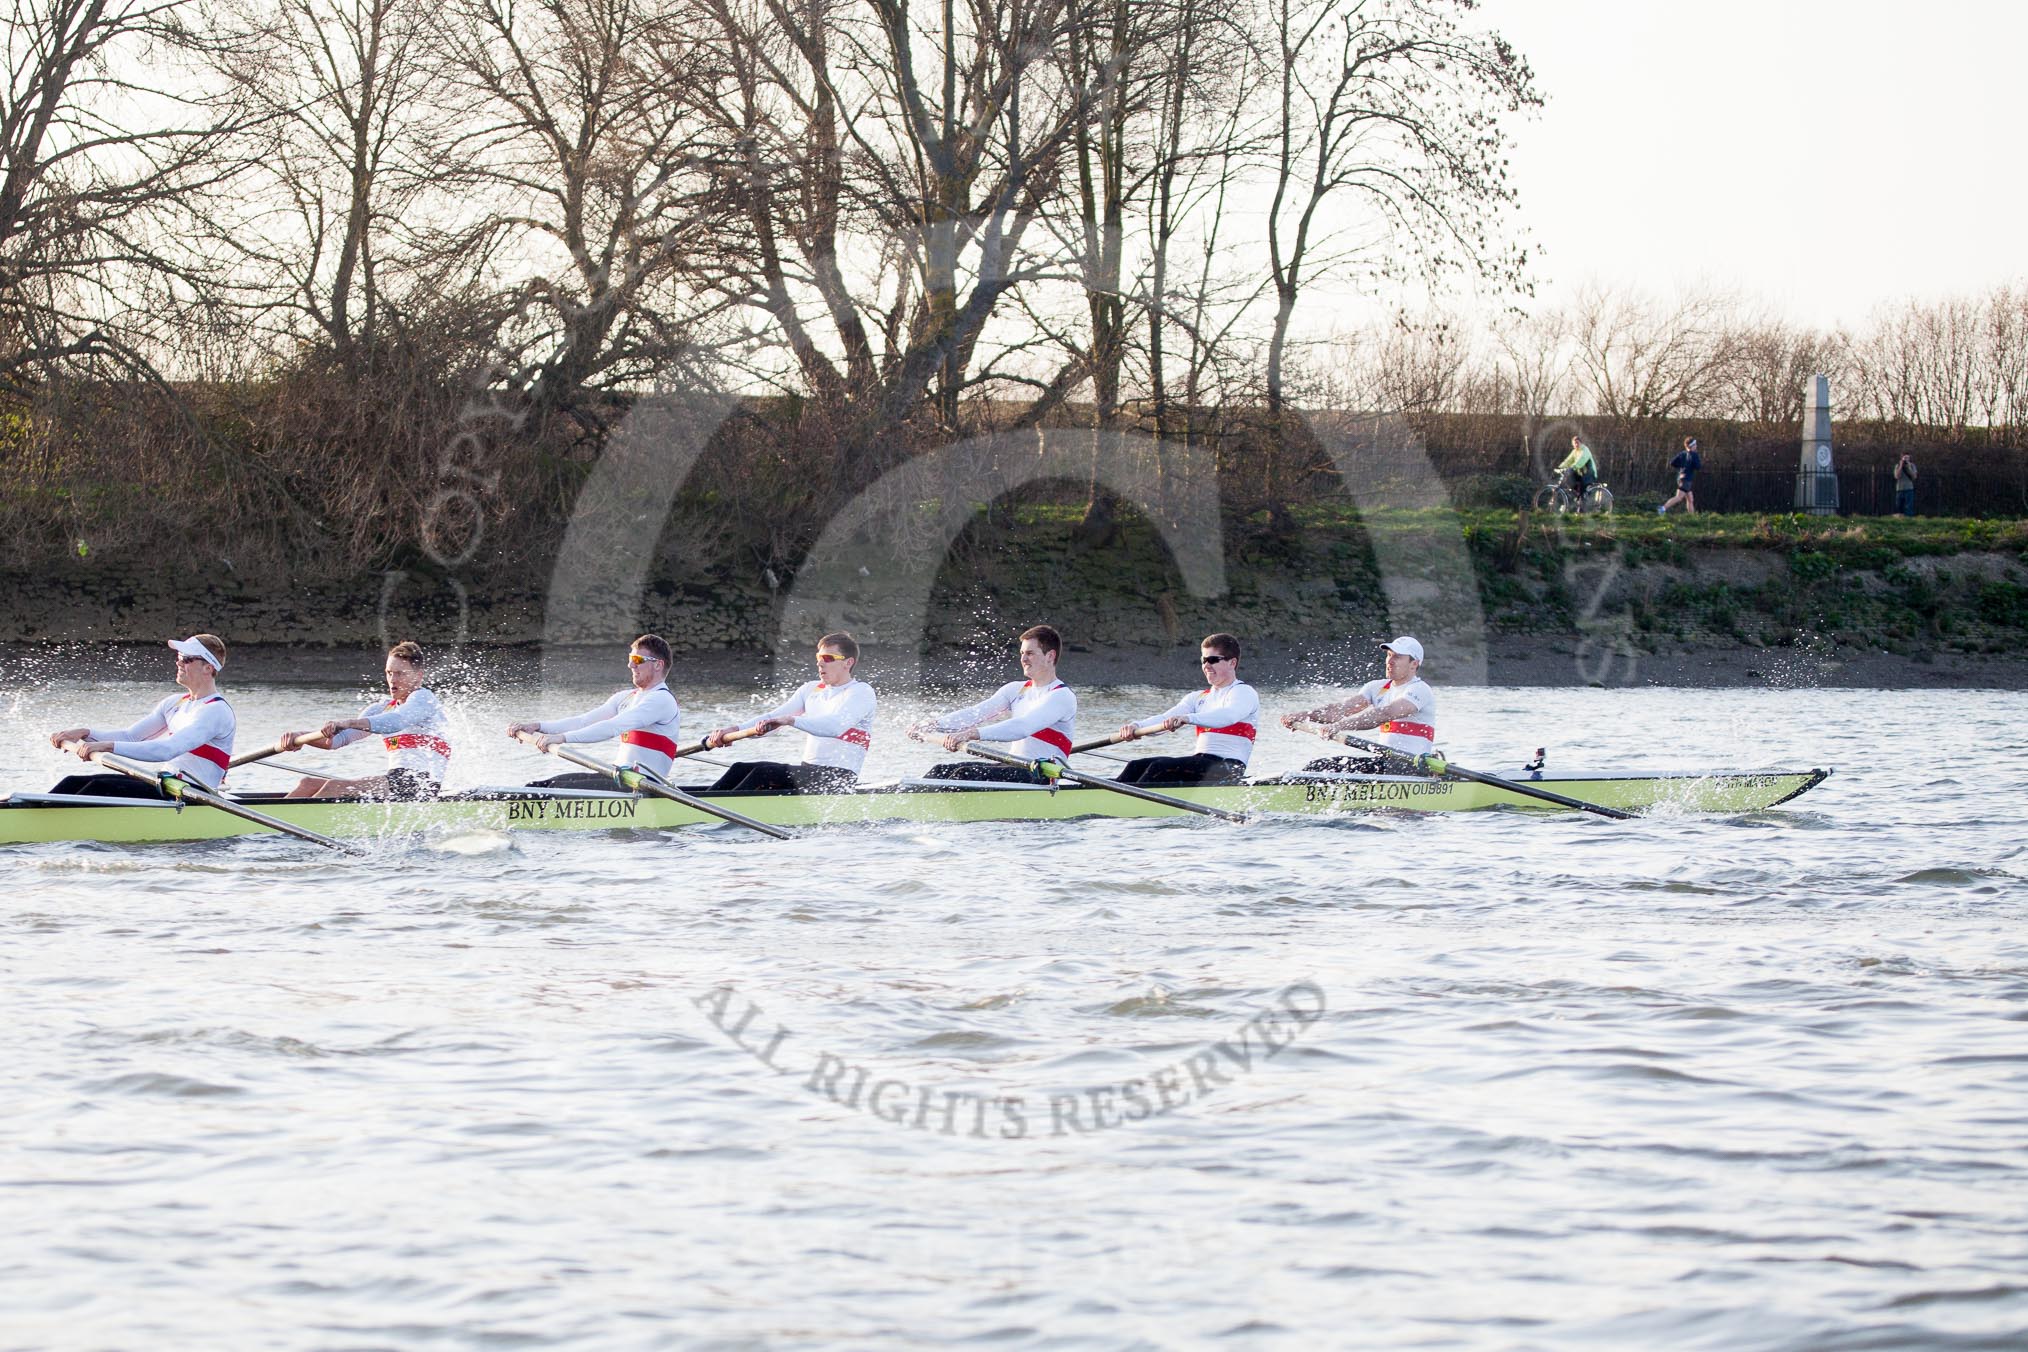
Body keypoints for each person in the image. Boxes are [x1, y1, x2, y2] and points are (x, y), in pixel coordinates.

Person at [48, 635, 236, 800]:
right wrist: (84, 733)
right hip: (166, 782)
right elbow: (130, 736)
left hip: (194, 793)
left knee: (98, 788)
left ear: (208, 668)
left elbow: (167, 750)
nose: (178, 663)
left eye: (186, 659)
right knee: (72, 782)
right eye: (179, 658)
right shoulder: (174, 703)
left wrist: (106, 746)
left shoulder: (215, 711)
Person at [273, 641, 451, 800]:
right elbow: (335, 741)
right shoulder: (381, 708)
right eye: (389, 673)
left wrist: (348, 722)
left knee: (333, 787)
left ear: (418, 676)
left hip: (421, 784)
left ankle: (289, 828)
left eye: (400, 674)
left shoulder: (424, 699)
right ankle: (271, 824)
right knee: (308, 783)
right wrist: (300, 737)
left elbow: (396, 721)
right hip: (395, 781)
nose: (392, 680)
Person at [702, 632, 876, 793]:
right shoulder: (811, 689)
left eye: (828, 658)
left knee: (763, 773)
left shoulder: (860, 692)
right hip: (809, 772)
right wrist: (733, 730)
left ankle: (708, 812)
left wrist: (790, 721)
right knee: (739, 768)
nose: (820, 663)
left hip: (838, 779)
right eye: (819, 657)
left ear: (848, 662)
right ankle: (698, 804)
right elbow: (771, 719)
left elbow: (834, 727)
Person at [505, 634, 681, 789]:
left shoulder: (661, 700)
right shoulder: (626, 697)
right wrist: (537, 726)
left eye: (637, 660)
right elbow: (583, 721)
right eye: (630, 658)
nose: (630, 665)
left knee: (556, 790)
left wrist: (562, 738)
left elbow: (613, 726)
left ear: (658, 665)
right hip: (618, 776)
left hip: (645, 785)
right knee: (539, 786)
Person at [909, 625, 1076, 783]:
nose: (1023, 659)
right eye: (1022, 653)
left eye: (1030, 653)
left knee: (962, 775)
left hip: (1044, 775)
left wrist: (970, 734)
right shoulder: (1016, 690)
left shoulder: (1061, 696)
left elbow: (1022, 727)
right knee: (940, 771)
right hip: (1016, 766)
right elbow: (976, 713)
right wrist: (932, 725)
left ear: (1050, 656)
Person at [1110, 633, 1258, 786]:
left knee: (1159, 767)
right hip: (1201, 761)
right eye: (1204, 660)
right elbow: (1164, 719)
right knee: (1135, 765)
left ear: (1232, 663)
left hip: (1230, 767)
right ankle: (1106, 797)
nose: (1206, 665)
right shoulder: (1198, 698)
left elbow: (1228, 716)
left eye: (1213, 660)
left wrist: (1188, 718)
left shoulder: (1244, 692)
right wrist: (1136, 726)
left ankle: (1130, 804)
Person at [1278, 636, 1436, 773]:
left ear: (1414, 664)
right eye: (1389, 655)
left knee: (1325, 769)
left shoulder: (1420, 690)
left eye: (1397, 657)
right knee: (1319, 767)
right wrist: (1306, 715)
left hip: (1412, 767)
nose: (1390, 661)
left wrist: (1339, 726)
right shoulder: (1377, 687)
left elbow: (1385, 714)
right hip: (1385, 764)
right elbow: (1339, 710)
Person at [1659, 436, 1701, 514]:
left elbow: (1672, 463)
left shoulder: (1682, 453)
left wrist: (1682, 468)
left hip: (1681, 477)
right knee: (1678, 497)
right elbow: (1698, 466)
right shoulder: (1694, 455)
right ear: (1691, 446)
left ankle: (1691, 517)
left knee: (1690, 499)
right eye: (1695, 445)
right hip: (1687, 479)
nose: (1696, 446)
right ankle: (1662, 508)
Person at [1556, 435, 1598, 508]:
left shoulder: (1585, 450)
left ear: (1581, 443)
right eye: (1574, 443)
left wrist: (1572, 467)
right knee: (1568, 480)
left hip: (1590, 473)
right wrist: (1560, 468)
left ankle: (1581, 508)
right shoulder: (1574, 451)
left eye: (1577, 443)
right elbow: (1568, 461)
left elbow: (1581, 461)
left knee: (1582, 486)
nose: (1576, 444)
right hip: (1581, 473)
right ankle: (1578, 496)